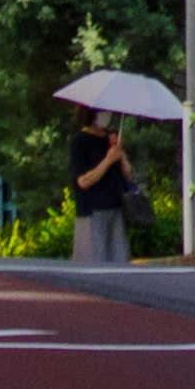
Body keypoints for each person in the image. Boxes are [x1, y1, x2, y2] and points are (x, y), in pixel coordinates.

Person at [69, 101, 137, 266]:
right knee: (95, 262)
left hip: (116, 208)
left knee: (120, 261)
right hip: (92, 211)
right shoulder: (79, 142)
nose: (107, 115)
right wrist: (108, 160)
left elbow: (128, 173)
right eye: (102, 111)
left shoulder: (110, 140)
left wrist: (120, 154)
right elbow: (83, 181)